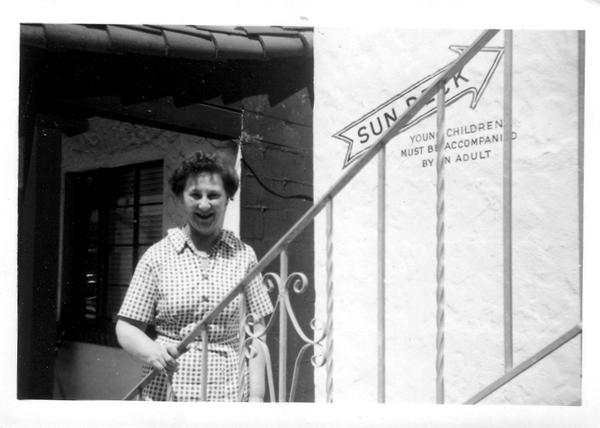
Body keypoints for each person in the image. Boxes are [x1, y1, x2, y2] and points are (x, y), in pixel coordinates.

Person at [116, 151, 273, 402]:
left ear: (227, 198)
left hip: (228, 391)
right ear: (181, 197)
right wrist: (153, 352)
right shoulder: (157, 256)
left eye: (213, 195)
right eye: (195, 195)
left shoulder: (244, 255)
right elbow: (126, 327)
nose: (204, 204)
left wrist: (256, 396)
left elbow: (257, 331)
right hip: (167, 390)